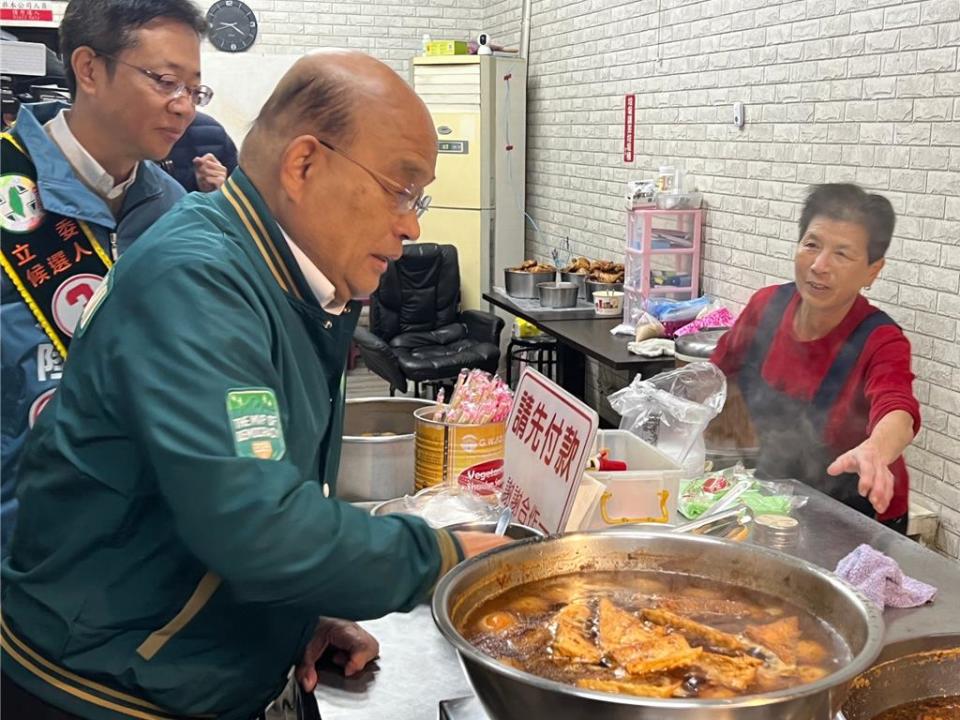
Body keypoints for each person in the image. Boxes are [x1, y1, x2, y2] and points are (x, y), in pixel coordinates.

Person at [1, 49, 506, 720]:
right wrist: (452, 557)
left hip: (188, 669)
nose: (412, 225)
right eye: (400, 189)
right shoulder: (198, 279)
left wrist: (292, 621)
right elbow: (257, 528)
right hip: (104, 691)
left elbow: (237, 485)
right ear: (303, 164)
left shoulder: (286, 281)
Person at [0, 0, 210, 555]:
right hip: (18, 542)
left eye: (194, 89)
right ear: (89, 69)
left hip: (136, 552)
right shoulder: (9, 186)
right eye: (166, 81)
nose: (183, 106)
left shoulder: (178, 212)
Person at [711, 183, 920, 531]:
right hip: (775, 498)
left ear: (873, 270)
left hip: (857, 516)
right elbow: (716, 375)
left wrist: (875, 452)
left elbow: (898, 408)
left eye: (842, 254)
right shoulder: (766, 306)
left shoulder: (881, 340)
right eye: (812, 245)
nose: (820, 266)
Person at [164, 110, 238, 192]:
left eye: (196, 97)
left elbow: (236, 196)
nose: (184, 105)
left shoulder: (213, 135)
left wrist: (217, 194)